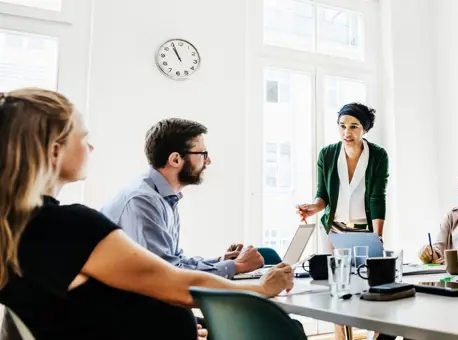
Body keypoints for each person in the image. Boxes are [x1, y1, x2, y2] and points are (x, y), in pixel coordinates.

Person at [0, 88, 294, 339]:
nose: (91, 146)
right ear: (54, 152)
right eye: (83, 137)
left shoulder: (21, 227)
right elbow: (177, 284)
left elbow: (82, 313)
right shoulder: (67, 226)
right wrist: (261, 288)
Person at [101, 118, 264, 279]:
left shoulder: (165, 197)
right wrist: (236, 266)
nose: (208, 161)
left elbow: (174, 262)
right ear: (175, 159)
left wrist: (221, 261)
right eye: (203, 154)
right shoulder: (143, 201)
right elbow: (164, 275)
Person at [297, 103, 389, 238]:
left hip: (365, 230)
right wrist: (315, 207)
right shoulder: (327, 154)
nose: (347, 133)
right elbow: (323, 193)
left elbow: (377, 198)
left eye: (354, 126)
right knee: (330, 260)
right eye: (342, 126)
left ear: (365, 130)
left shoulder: (378, 155)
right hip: (333, 229)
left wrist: (378, 238)